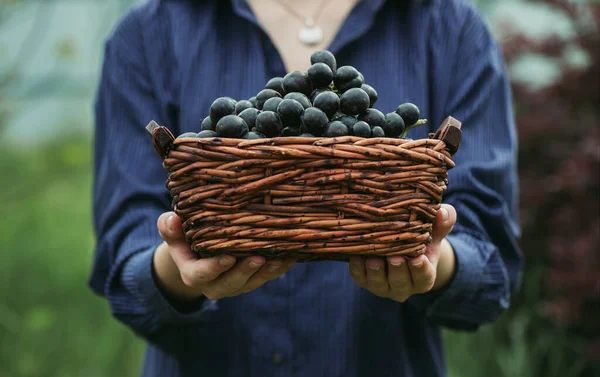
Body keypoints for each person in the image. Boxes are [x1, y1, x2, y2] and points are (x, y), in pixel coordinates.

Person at [89, 0, 523, 376]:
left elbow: (490, 272)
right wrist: (178, 271)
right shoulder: (148, 34)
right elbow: (125, 269)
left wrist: (433, 262)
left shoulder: (453, 29)